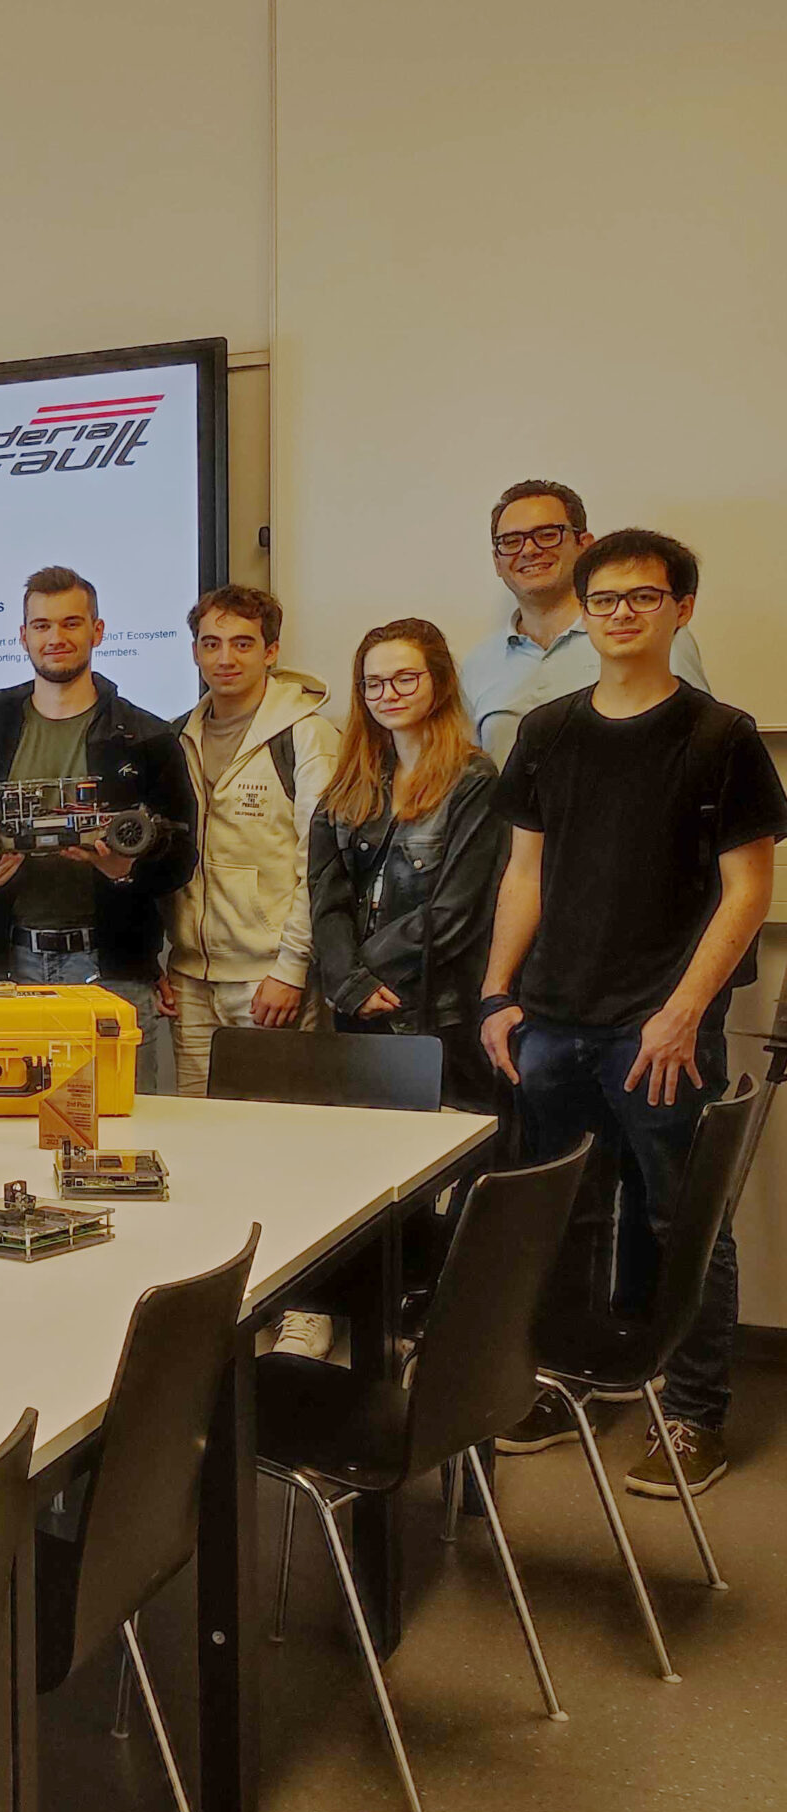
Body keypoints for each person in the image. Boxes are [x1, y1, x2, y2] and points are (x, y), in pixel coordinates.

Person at [481, 530, 785, 1497]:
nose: (621, 612)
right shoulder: (548, 730)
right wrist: (498, 992)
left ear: (679, 609)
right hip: (554, 1018)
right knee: (562, 1213)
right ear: (584, 610)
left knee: (680, 1217)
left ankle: (694, 1415)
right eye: (604, 598)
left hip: (661, 1027)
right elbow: (524, 873)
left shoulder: (720, 735)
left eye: (642, 598)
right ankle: (564, 1380)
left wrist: (681, 1011)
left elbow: (748, 892)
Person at [0, 566, 196, 1088]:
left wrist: (125, 868)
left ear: (97, 631)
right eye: (41, 626)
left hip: (111, 967)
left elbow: (182, 855)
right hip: (9, 965)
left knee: (127, 1124)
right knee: (5, 1123)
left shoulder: (146, 738)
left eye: (70, 623)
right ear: (23, 636)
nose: (56, 638)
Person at [310, 619, 505, 1108]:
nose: (387, 694)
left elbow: (457, 910)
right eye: (373, 683)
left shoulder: (474, 779)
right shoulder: (351, 781)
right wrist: (347, 981)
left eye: (404, 679)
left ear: (437, 681)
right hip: (357, 1009)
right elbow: (326, 893)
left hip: (435, 1013)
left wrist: (362, 976)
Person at [161, 584, 338, 1098]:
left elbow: (319, 865)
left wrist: (291, 969)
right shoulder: (178, 736)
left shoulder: (305, 735)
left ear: (271, 651)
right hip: (191, 979)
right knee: (201, 1135)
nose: (225, 658)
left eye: (242, 643)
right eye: (211, 643)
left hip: (269, 979)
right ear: (195, 651)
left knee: (277, 1135)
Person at [459, 479, 710, 766]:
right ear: (496, 561)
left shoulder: (646, 635)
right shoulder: (477, 665)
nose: (529, 550)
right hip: (513, 811)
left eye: (547, 534)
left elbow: (698, 745)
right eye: (511, 541)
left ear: (584, 545)